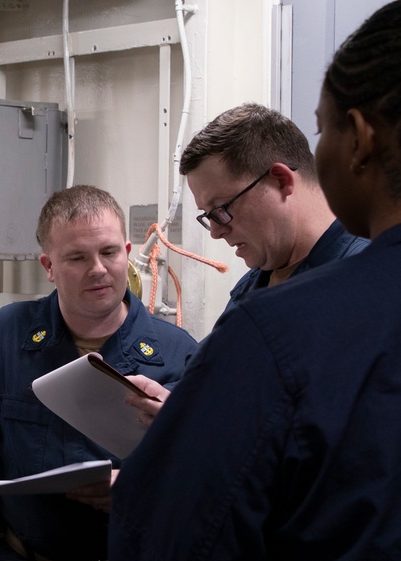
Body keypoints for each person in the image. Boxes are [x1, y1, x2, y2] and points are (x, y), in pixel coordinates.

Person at [110, 2, 401, 558]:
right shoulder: (255, 293)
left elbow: (185, 526)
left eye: (323, 129)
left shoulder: (282, 330)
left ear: (360, 138)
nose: (216, 234)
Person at [0, 186, 198, 561]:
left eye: (108, 252)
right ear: (49, 268)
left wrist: (143, 485)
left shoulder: (179, 354)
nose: (98, 269)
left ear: (125, 253)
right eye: (77, 257)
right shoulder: (7, 334)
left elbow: (207, 471)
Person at [125, 103, 368, 423]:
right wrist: (172, 400)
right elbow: (214, 382)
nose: (215, 232)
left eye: (221, 210)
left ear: (281, 180)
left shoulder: (367, 280)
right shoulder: (253, 287)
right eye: (207, 217)